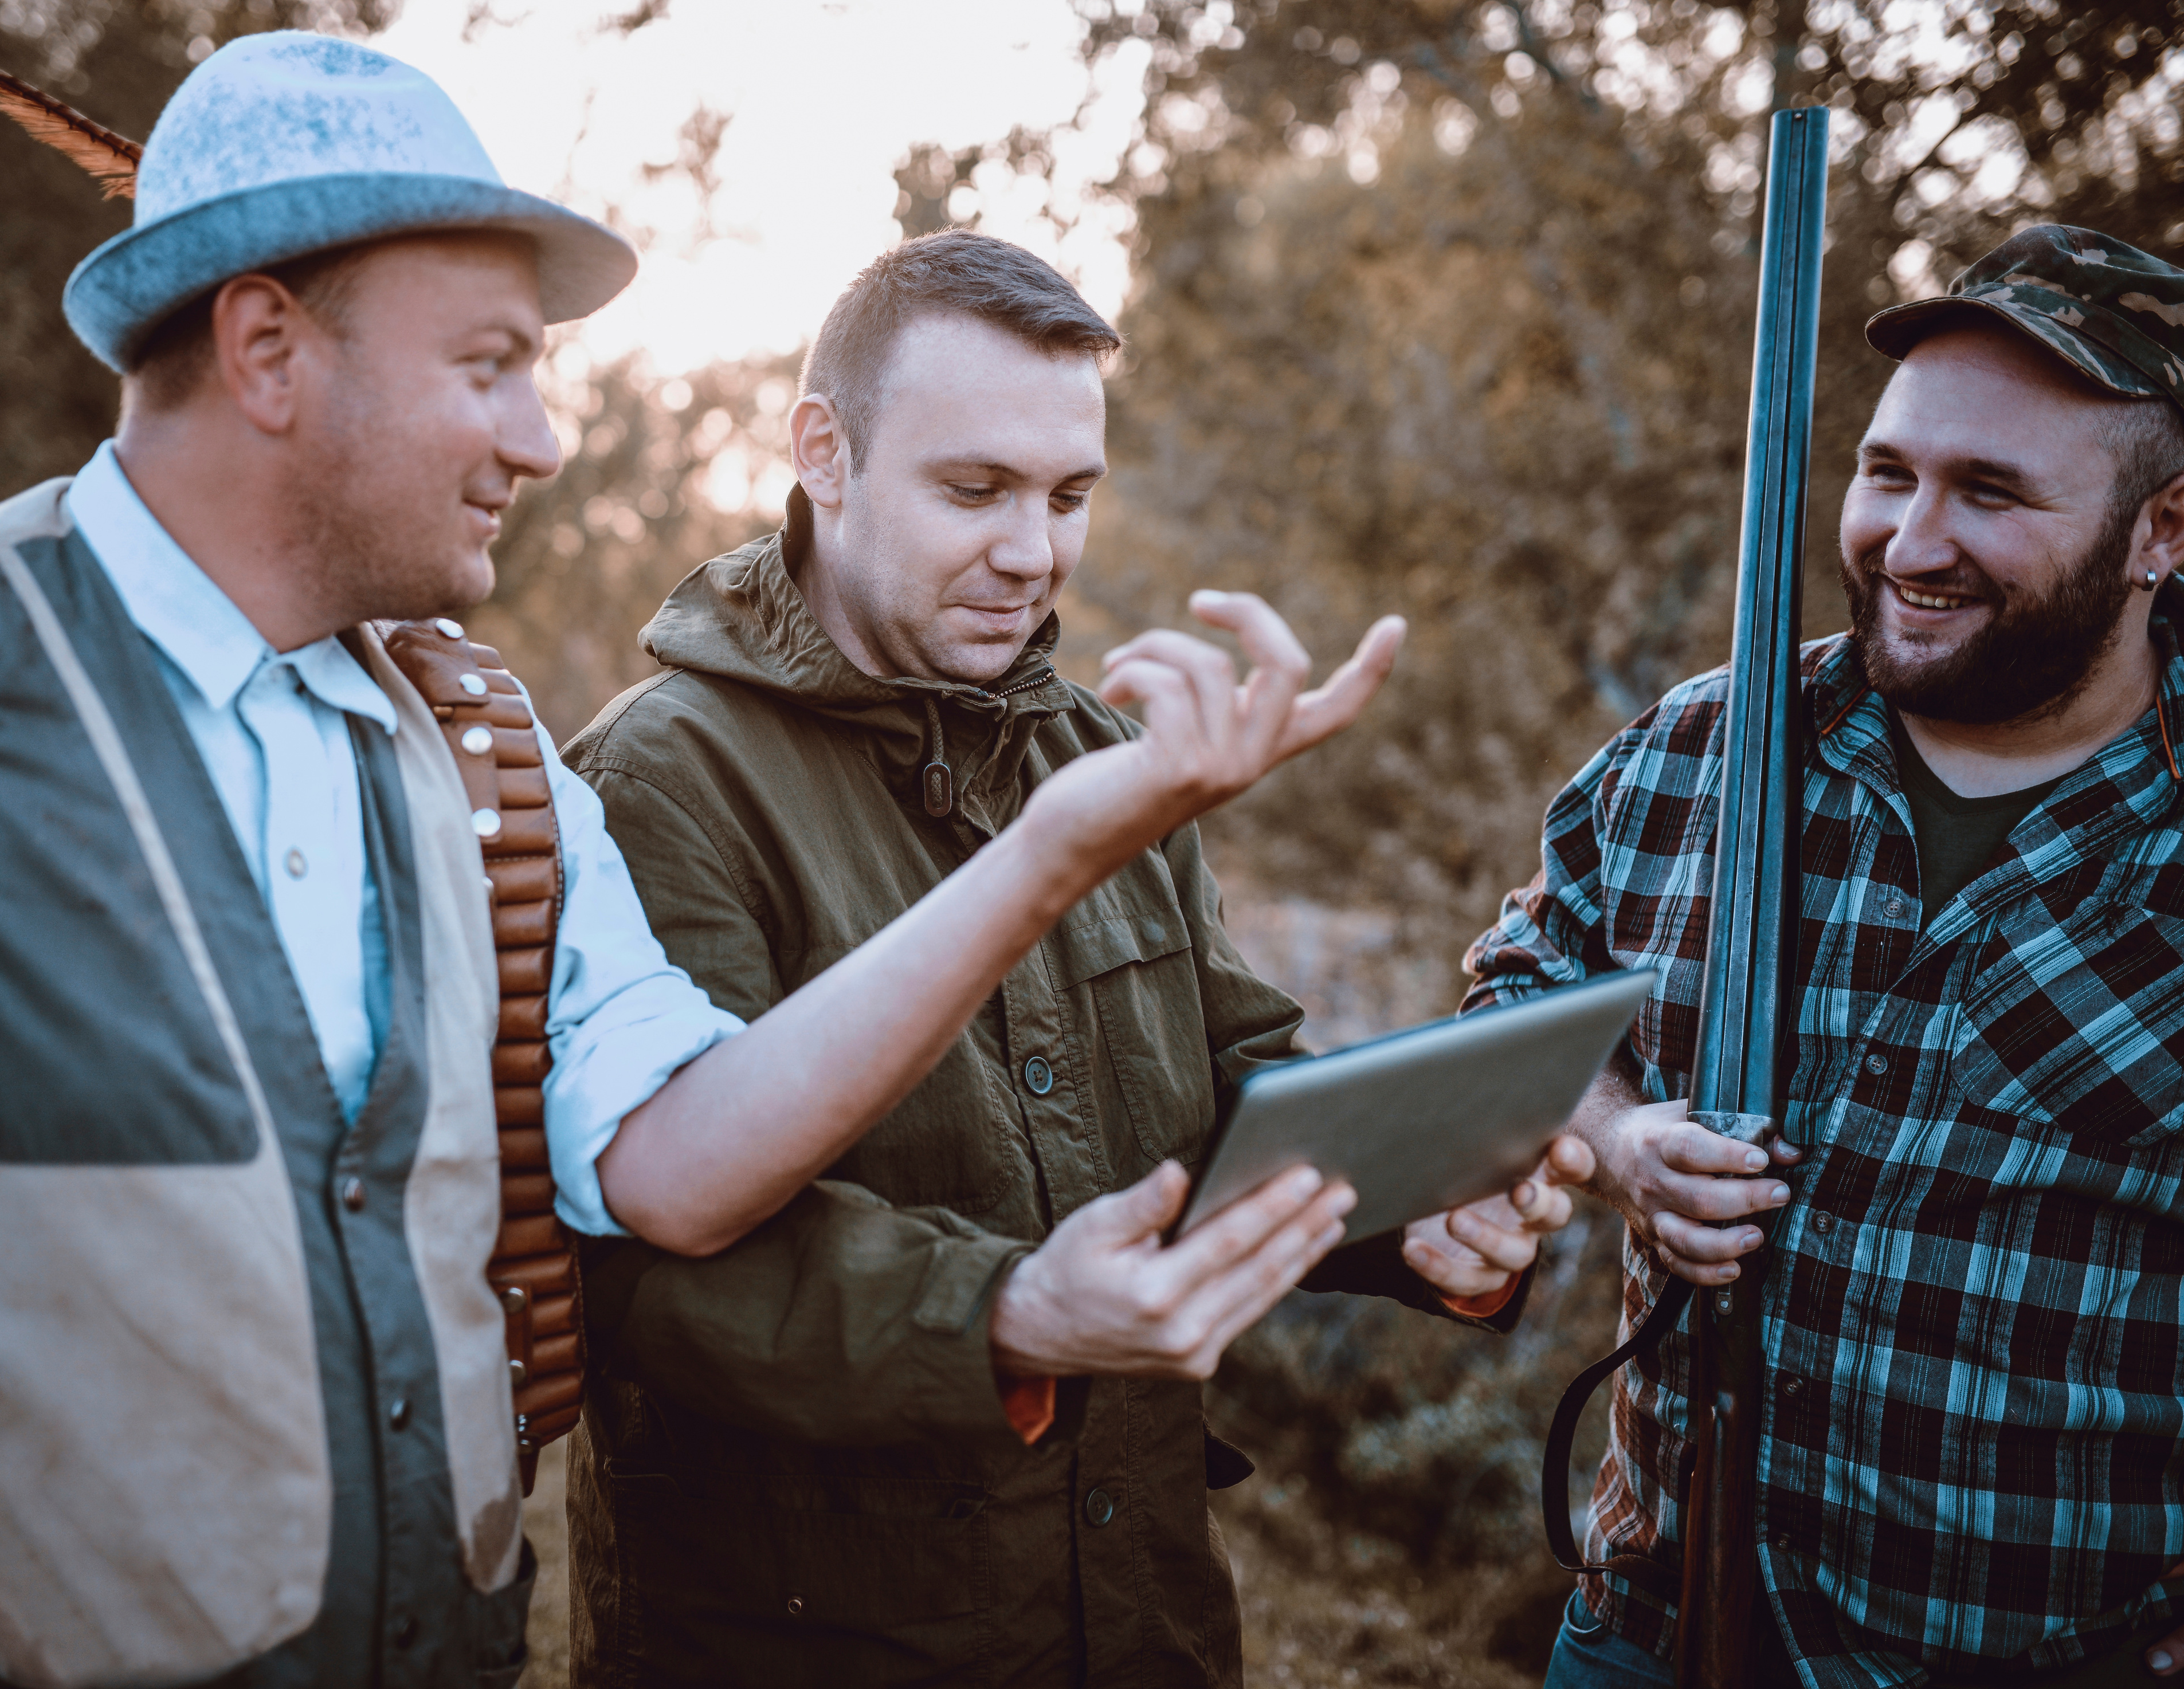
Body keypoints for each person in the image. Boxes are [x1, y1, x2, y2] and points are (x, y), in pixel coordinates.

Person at [0, 37, 1434, 1689]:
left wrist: (1053, 852)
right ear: (268, 350)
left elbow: (676, 1165)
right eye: (490, 366)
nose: (545, 435)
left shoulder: (487, 759)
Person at [557, 228, 1597, 1686]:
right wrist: (1010, 1314)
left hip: (1142, 1614)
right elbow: (647, 1271)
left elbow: (1230, 1089)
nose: (1033, 552)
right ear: (824, 453)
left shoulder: (1102, 751)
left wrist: (1406, 1218)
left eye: (1069, 495)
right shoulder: (661, 780)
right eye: (974, 489)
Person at [1468, 225, 2184, 1688]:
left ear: (2164, 532)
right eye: (1889, 474)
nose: (1913, 543)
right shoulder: (1708, 743)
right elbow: (1518, 987)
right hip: (1649, 1629)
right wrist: (1620, 1135)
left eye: (1990, 492)